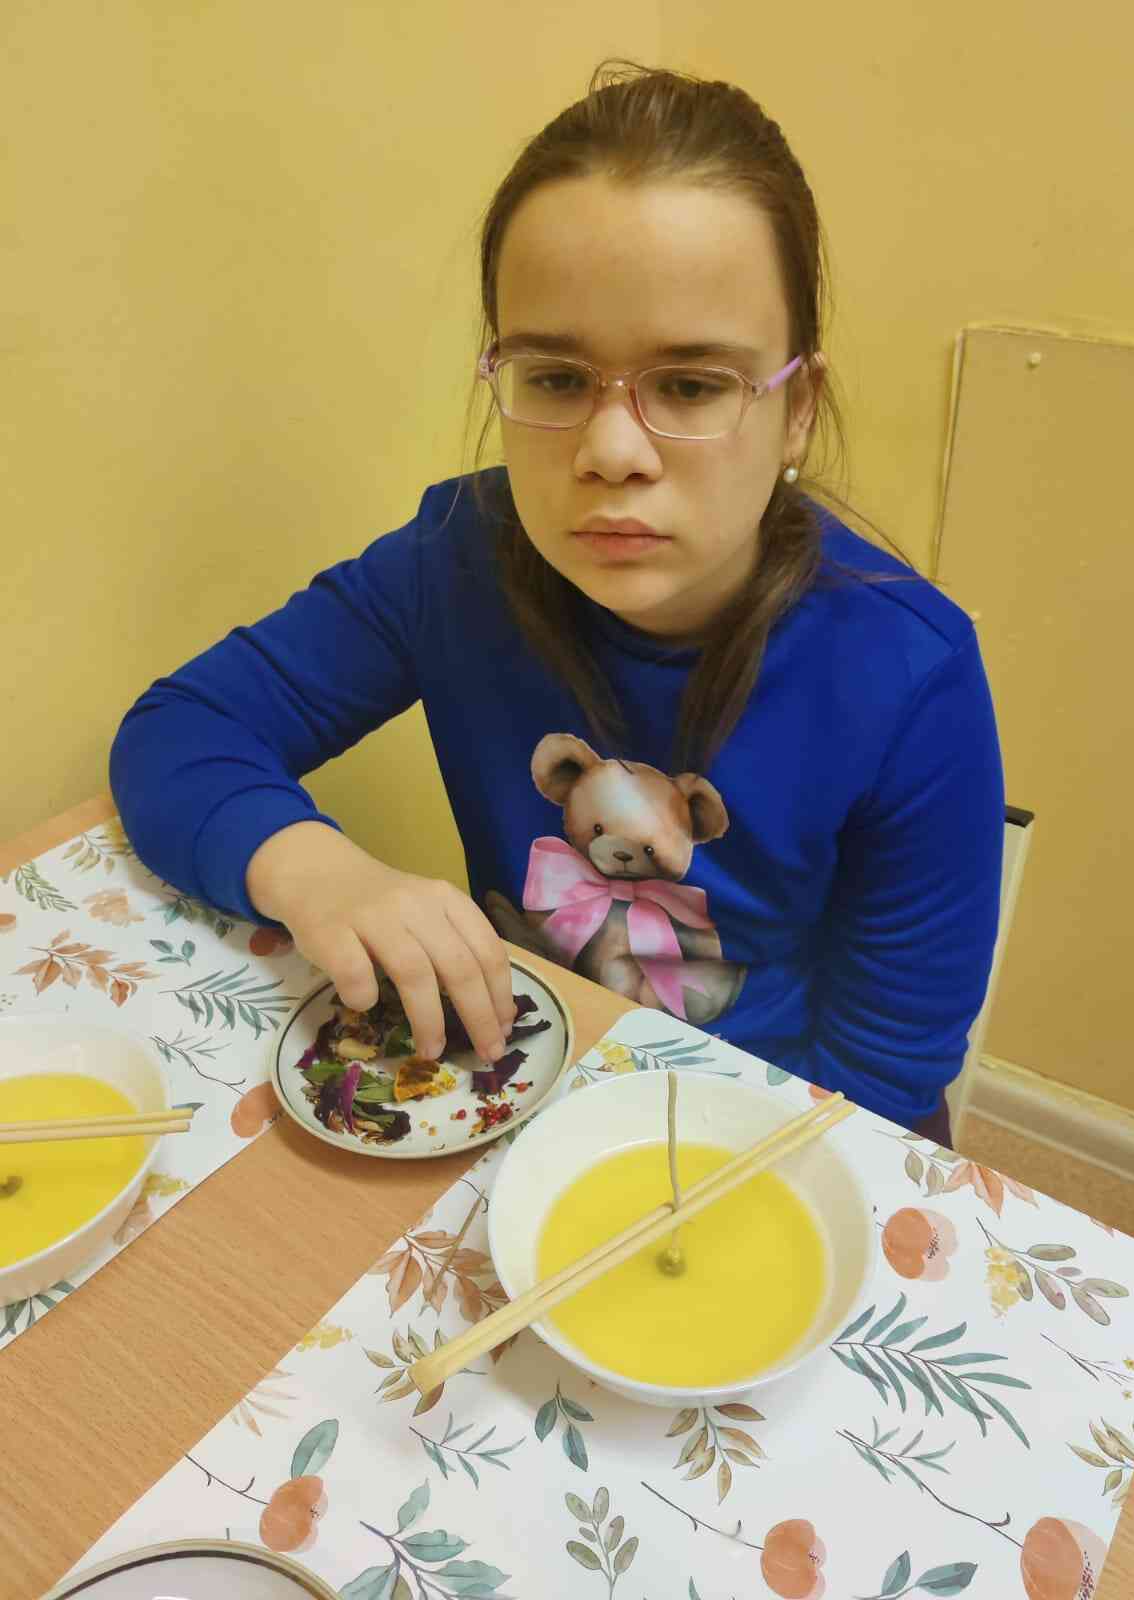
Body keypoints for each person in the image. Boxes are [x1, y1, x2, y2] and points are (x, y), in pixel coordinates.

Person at [110, 60, 1004, 1144]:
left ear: (798, 407)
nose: (612, 449)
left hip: (754, 1130)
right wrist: (319, 871)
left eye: (691, 385)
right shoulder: (454, 560)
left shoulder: (908, 672)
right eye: (556, 377)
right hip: (515, 1084)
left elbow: (886, 1077)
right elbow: (182, 729)